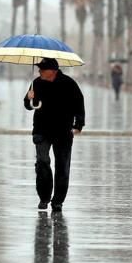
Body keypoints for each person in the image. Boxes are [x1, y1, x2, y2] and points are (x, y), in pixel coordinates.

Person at [24, 58, 85, 213]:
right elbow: (29, 106)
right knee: (42, 162)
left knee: (62, 167)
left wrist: (78, 125)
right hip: (41, 130)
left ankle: (57, 201)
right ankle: (44, 197)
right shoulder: (36, 83)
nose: (39, 72)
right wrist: (28, 98)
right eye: (39, 69)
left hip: (63, 131)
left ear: (53, 70)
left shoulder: (69, 84)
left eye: (42, 69)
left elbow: (79, 103)